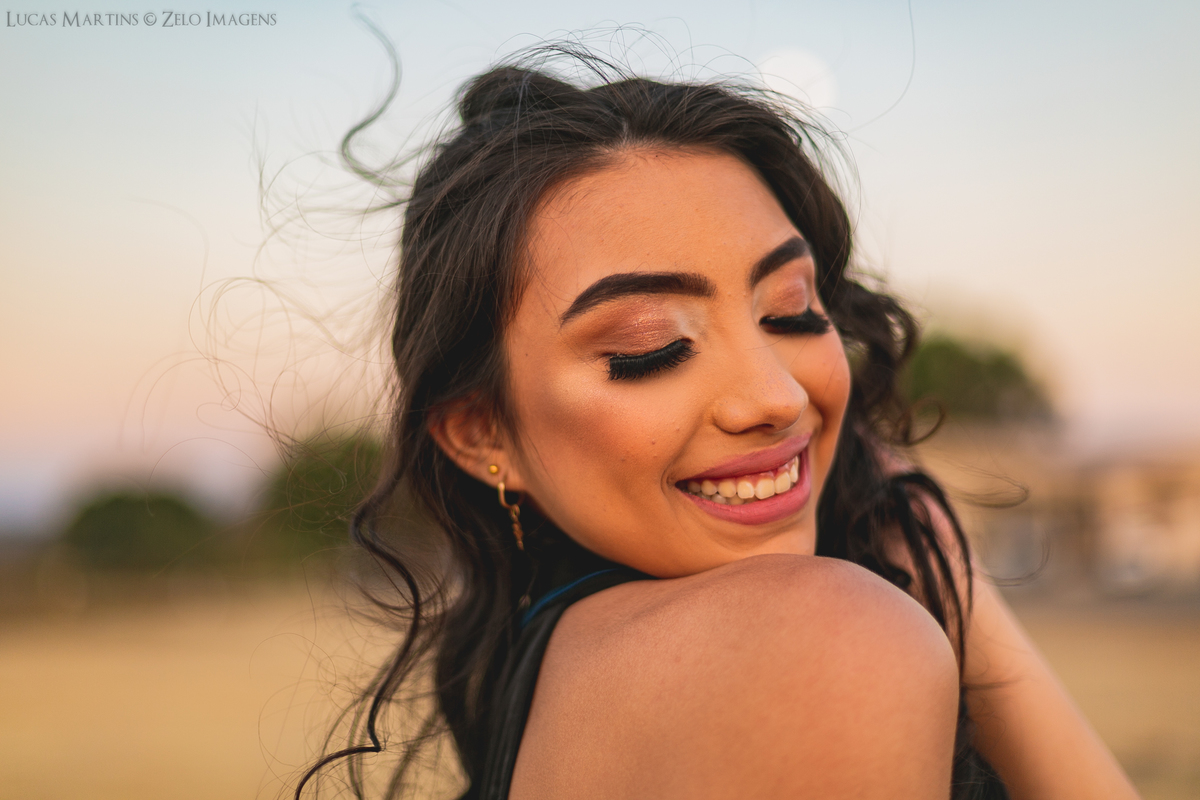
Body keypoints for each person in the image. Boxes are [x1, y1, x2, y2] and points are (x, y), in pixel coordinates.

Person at [298, 48, 1140, 800]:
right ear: (483, 432)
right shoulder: (823, 642)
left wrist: (943, 567)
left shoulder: (545, 669)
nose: (774, 397)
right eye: (651, 348)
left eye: (793, 311)